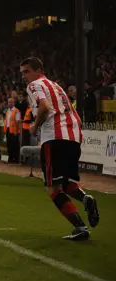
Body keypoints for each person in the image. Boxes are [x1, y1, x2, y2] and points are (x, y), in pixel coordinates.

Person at [20, 57, 99, 241]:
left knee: (52, 188)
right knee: (66, 184)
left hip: (54, 138)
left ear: (38, 70)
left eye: (26, 71)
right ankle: (86, 199)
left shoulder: (34, 85)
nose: (24, 76)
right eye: (22, 72)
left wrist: (35, 126)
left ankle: (80, 227)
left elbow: (45, 107)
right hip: (73, 137)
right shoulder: (56, 86)